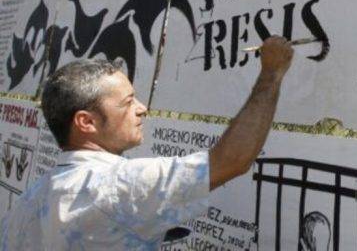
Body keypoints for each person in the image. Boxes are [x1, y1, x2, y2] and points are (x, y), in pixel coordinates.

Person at [0, 36, 294, 250]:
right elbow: (230, 161)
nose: (142, 109)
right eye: (128, 102)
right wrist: (271, 73)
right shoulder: (116, 186)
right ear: (86, 122)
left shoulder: (27, 203)